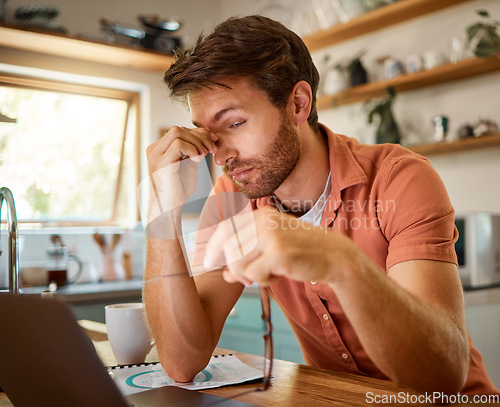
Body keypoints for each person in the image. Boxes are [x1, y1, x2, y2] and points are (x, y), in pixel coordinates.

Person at [143, 15, 499, 398]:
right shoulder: (233, 195)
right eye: (207, 133)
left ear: (298, 103)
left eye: (234, 123)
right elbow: (182, 362)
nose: (220, 154)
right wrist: (162, 207)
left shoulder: (401, 178)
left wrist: (340, 262)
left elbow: (442, 376)